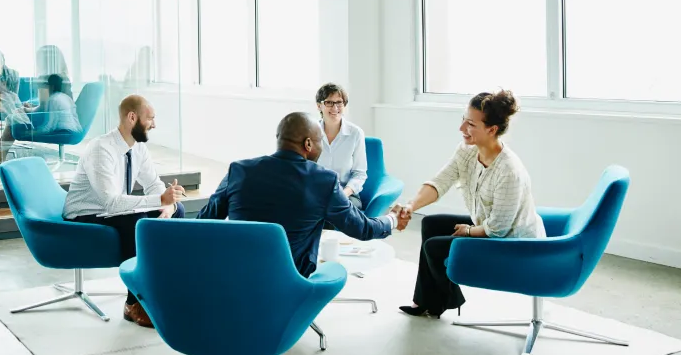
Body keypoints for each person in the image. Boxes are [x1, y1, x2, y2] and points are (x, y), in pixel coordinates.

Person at [393, 90, 544, 319]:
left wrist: (469, 231)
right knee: (431, 225)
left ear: (491, 130)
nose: (462, 128)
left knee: (434, 247)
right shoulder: (467, 151)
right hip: (490, 228)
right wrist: (411, 206)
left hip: (513, 242)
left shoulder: (509, 171)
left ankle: (449, 300)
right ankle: (425, 302)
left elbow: (499, 228)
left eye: (471, 124)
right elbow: (440, 182)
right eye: (463, 119)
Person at [197, 112, 398, 278]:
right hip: (291, 280)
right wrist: (392, 220)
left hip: (237, 274)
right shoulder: (324, 180)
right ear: (308, 144)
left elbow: (203, 222)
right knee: (334, 268)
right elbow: (361, 228)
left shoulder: (239, 170)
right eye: (320, 142)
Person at [63, 95, 187, 327]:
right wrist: (159, 198)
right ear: (132, 118)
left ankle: (157, 291)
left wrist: (167, 205)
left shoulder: (138, 148)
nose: (154, 124)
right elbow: (110, 202)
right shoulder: (101, 149)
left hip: (114, 211)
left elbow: (154, 184)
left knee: (177, 211)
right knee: (136, 221)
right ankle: (134, 303)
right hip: (86, 212)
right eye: (150, 118)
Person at [314, 83, 368, 209]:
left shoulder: (356, 133)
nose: (335, 108)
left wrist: (343, 194)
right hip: (315, 192)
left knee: (337, 210)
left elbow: (359, 174)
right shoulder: (310, 131)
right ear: (319, 106)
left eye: (339, 102)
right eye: (329, 102)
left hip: (346, 193)